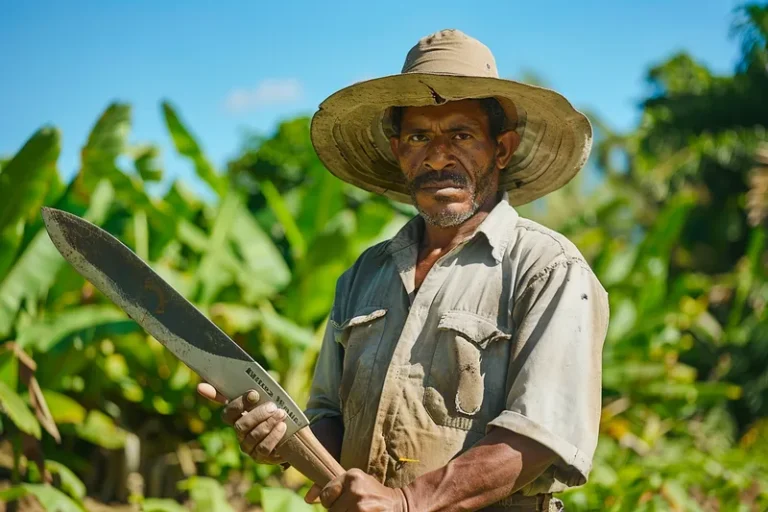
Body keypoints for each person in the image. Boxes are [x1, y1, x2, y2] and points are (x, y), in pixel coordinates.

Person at [198, 29, 609, 512]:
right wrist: (284, 437)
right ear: (398, 151)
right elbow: (329, 415)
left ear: (502, 148)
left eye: (462, 134)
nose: (437, 155)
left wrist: (407, 503)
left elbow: (540, 434)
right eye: (418, 136)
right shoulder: (364, 274)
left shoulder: (545, 268)